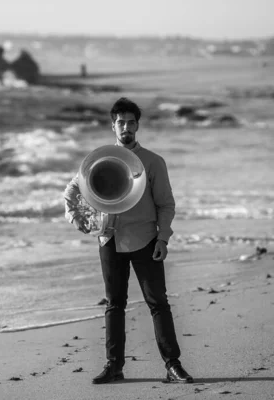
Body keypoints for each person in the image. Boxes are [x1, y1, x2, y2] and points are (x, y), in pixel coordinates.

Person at [63, 97, 194, 385]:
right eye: (121, 122)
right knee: (114, 304)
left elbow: (166, 205)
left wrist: (163, 238)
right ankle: (114, 367)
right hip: (108, 238)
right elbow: (73, 189)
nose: (126, 127)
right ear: (113, 126)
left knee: (158, 302)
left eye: (131, 122)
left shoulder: (153, 162)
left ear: (137, 126)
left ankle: (173, 365)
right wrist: (76, 218)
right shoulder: (98, 159)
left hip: (146, 239)